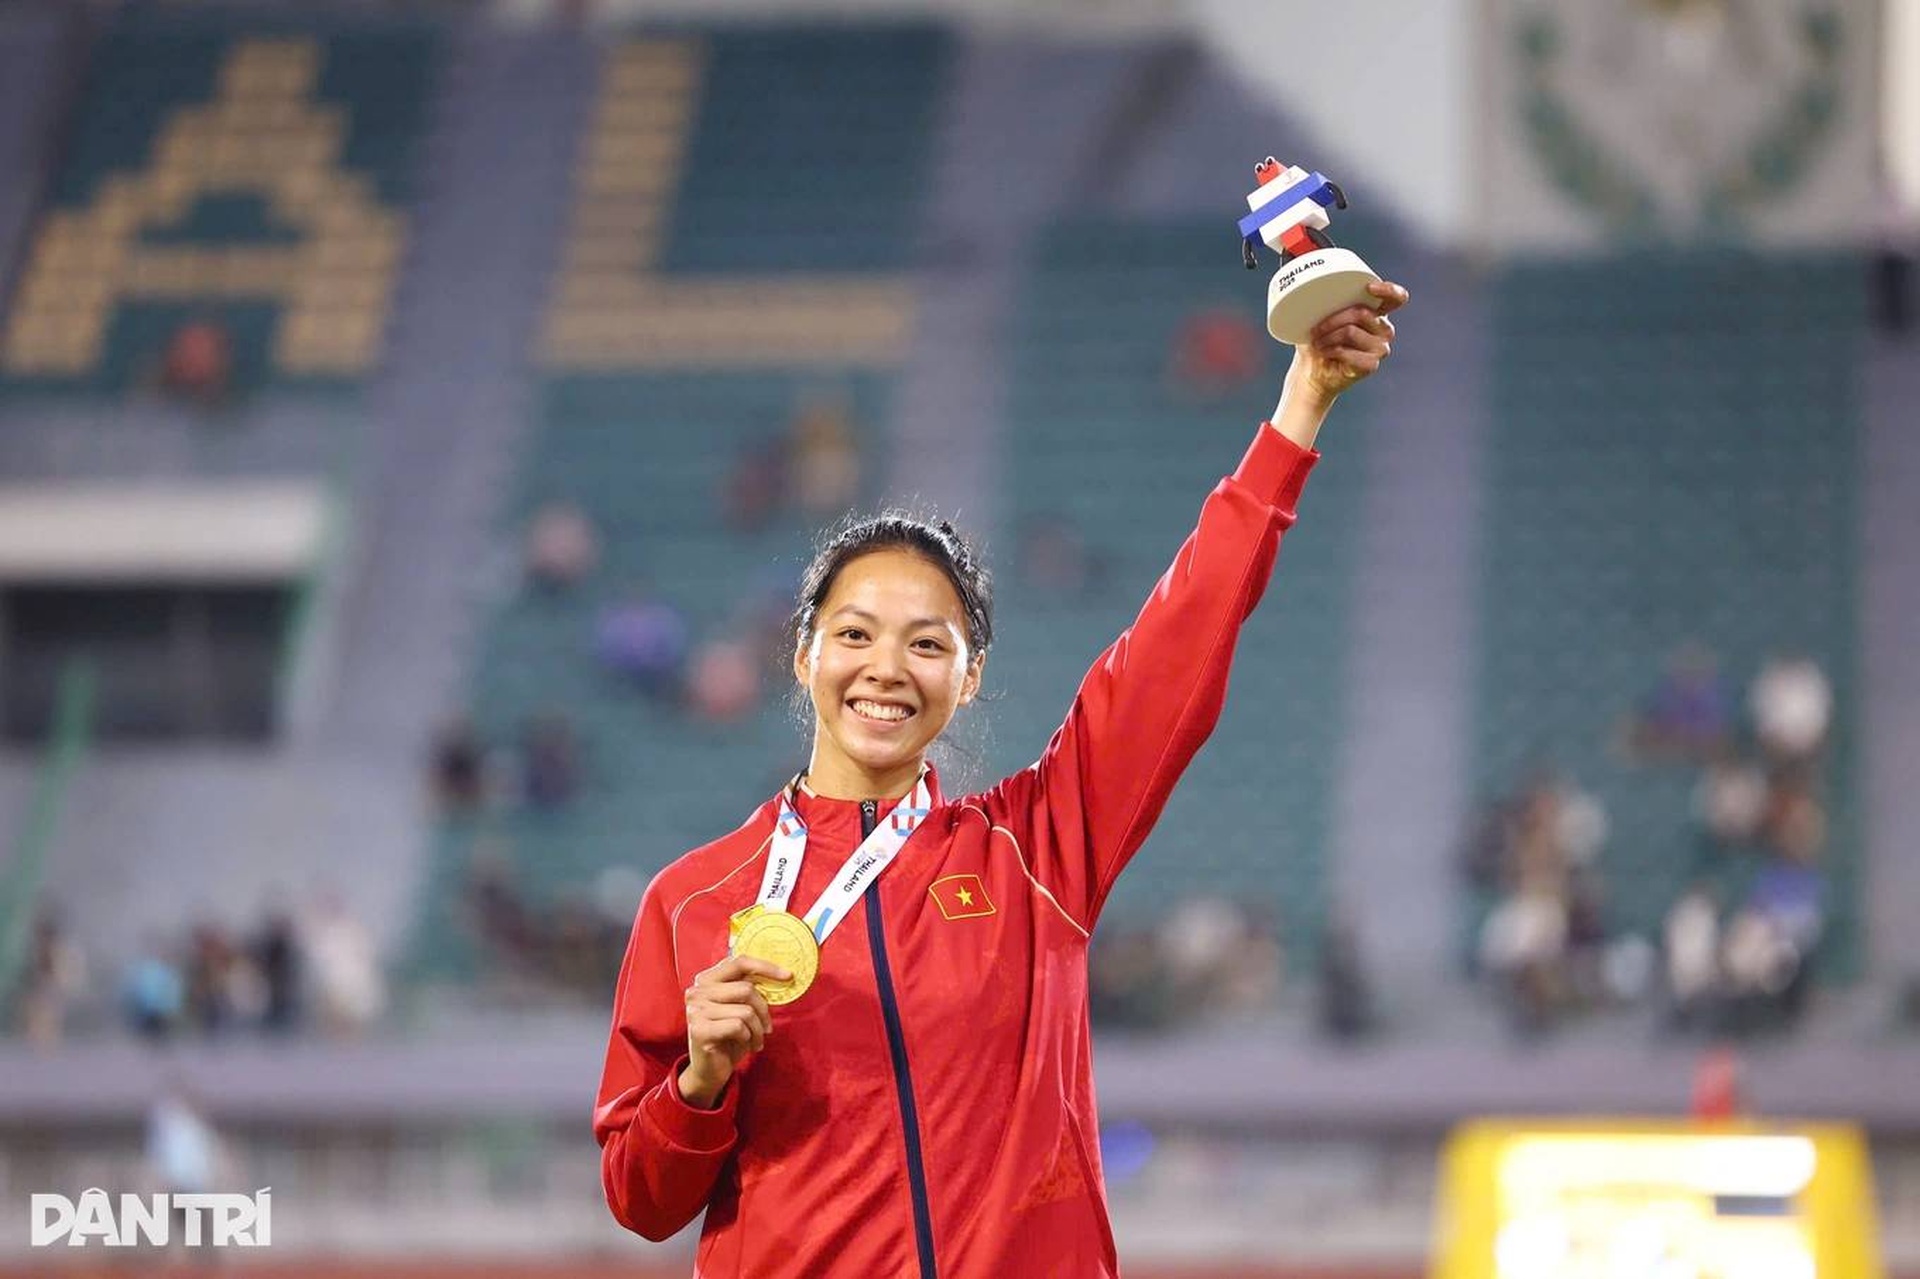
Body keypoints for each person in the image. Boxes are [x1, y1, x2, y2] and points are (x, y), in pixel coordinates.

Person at [595, 282, 1408, 1276]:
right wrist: (701, 1081)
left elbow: (1180, 639)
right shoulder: (692, 904)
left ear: (968, 675)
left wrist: (1300, 409)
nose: (887, 667)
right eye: (854, 634)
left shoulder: (1038, 849)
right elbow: (641, 1201)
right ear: (802, 655)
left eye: (926, 643)